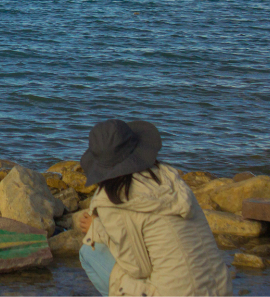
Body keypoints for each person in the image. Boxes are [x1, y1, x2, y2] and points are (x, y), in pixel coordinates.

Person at [76, 119, 232, 296]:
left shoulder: (114, 202)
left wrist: (97, 230)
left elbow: (137, 269)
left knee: (89, 251)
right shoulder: (169, 178)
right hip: (220, 289)